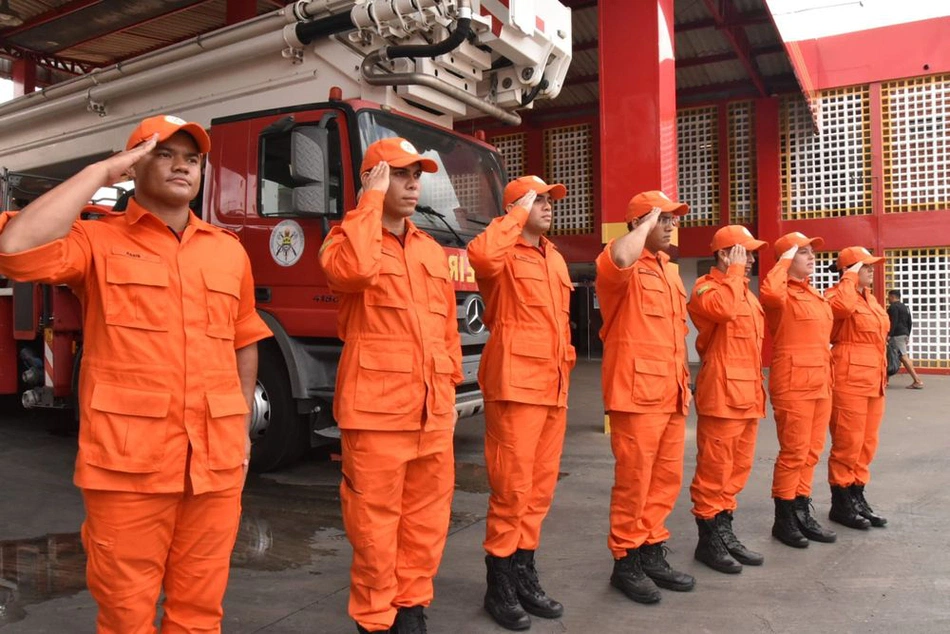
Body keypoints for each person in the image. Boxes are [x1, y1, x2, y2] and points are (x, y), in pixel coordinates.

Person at [0, 114, 272, 632]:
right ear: (134, 164)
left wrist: (240, 433)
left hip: (213, 463)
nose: (182, 167)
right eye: (164, 154)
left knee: (199, 612)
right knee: (126, 613)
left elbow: (244, 339)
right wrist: (103, 173)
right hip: (128, 465)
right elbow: (15, 250)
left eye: (192, 159)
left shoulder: (227, 250)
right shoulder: (96, 241)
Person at [319, 137, 463, 634]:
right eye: (399, 174)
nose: (412, 184)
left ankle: (411, 609)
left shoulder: (428, 249)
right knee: (374, 529)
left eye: (415, 175)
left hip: (431, 411)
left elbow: (446, 329)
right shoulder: (345, 241)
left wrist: (449, 388)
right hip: (376, 415)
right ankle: (375, 621)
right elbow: (354, 272)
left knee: (426, 522)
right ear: (373, 179)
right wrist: (368, 203)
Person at [467, 175, 576, 630]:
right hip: (515, 383)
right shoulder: (502, 253)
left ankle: (523, 570)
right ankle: (500, 581)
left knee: (539, 489)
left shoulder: (554, 257)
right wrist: (514, 214)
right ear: (515, 207)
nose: (550, 205)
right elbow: (481, 255)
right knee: (511, 489)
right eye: (539, 199)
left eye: (551, 199)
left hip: (553, 385)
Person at [596, 190, 694, 605]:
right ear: (640, 224)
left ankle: (652, 548)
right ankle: (626, 559)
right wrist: (643, 222)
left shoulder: (669, 272)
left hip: (670, 392)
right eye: (664, 219)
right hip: (636, 395)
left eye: (674, 219)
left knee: (665, 480)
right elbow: (620, 258)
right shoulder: (620, 261)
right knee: (634, 482)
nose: (672, 226)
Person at [687, 225, 767, 574]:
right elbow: (720, 311)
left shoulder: (745, 293)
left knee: (737, 469)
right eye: (744, 253)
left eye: (750, 254)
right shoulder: (708, 288)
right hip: (721, 392)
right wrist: (734, 274)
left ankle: (724, 531)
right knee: (714, 470)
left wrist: (737, 278)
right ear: (723, 255)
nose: (750, 260)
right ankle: (709, 541)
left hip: (748, 392)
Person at [759, 232, 838, 549]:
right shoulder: (781, 295)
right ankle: (784, 518)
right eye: (803, 253)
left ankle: (802, 511)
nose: (812, 257)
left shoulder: (814, 295)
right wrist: (784, 259)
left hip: (820, 382)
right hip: (794, 384)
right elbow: (768, 292)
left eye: (811, 252)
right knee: (793, 453)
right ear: (787, 260)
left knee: (811, 452)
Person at [825, 247, 889, 529]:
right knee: (847, 444)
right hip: (848, 379)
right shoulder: (838, 295)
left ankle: (857, 496)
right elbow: (841, 310)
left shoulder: (871, 300)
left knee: (866, 444)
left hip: (874, 380)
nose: (871, 270)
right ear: (850, 270)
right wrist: (848, 280)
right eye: (865, 266)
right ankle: (841, 503)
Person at [886, 289, 924, 389]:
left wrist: (889, 334)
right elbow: (909, 322)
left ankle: (917, 380)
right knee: (890, 356)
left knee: (903, 357)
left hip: (896, 335)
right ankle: (886, 380)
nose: (888, 298)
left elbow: (893, 321)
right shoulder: (905, 307)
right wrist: (908, 334)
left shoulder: (893, 307)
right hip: (903, 334)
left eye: (889, 297)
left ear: (892, 297)